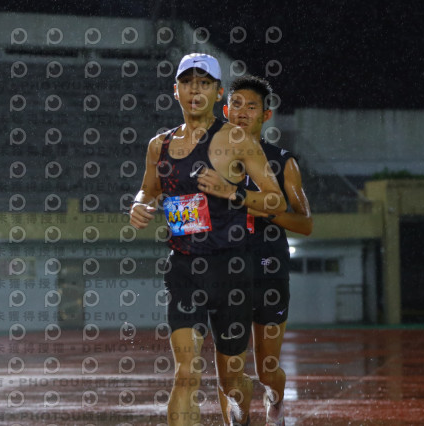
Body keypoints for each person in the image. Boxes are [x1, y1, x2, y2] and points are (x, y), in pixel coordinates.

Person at [130, 54, 287, 426]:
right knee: (186, 372)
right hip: (184, 268)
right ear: (176, 91)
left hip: (231, 271)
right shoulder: (158, 145)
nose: (195, 90)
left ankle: (244, 399)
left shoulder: (236, 139)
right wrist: (138, 205)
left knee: (231, 380)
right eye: (187, 82)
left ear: (218, 93)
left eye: (204, 83)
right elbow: (147, 190)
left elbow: (276, 201)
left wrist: (232, 192)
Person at [217, 75, 313, 425]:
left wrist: (264, 210)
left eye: (252, 106)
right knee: (229, 371)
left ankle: (275, 395)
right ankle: (238, 417)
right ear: (225, 111)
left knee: (266, 369)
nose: (243, 112)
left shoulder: (282, 162)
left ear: (266, 115)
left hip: (270, 273)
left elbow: (305, 224)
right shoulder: (208, 161)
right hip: (225, 274)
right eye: (236, 104)